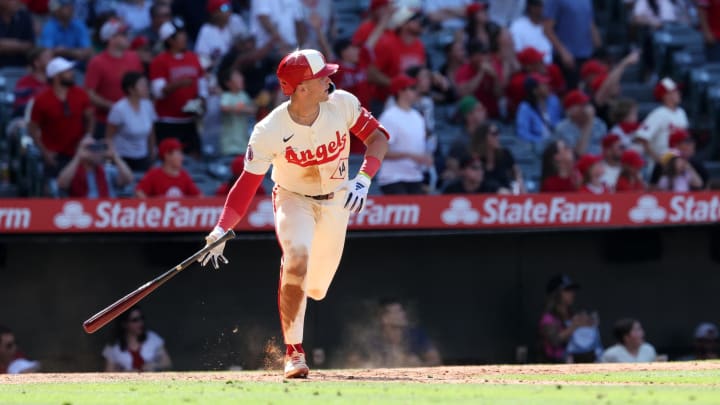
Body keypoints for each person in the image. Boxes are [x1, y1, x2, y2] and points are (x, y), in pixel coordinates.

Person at [197, 49, 390, 379]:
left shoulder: (341, 102)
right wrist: (220, 229)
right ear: (302, 87)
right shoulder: (268, 129)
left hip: (336, 201)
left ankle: (299, 305)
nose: (330, 79)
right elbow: (246, 185)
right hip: (292, 198)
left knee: (316, 289)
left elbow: (378, 138)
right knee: (297, 258)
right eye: (322, 76)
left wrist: (364, 178)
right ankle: (294, 353)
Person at [28, 57, 94, 181]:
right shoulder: (41, 100)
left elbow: (90, 117)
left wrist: (88, 135)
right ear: (56, 76)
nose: (72, 74)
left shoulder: (81, 94)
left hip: (78, 152)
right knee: (52, 191)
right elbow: (33, 128)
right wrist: (45, 152)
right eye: (68, 72)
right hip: (54, 155)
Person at [149, 19, 207, 157]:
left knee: (195, 157)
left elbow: (202, 83)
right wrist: (179, 84)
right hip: (168, 122)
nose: (184, 37)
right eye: (180, 34)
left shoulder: (193, 58)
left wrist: (202, 101)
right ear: (170, 40)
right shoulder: (159, 61)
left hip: (190, 121)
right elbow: (158, 92)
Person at [85, 18, 143, 140]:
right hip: (105, 121)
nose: (127, 36)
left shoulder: (134, 57)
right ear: (110, 38)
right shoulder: (97, 62)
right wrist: (114, 108)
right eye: (123, 34)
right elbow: (89, 93)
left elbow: (141, 86)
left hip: (133, 119)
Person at [344, 298, 442, 368]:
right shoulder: (369, 339)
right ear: (384, 319)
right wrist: (375, 365)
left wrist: (419, 365)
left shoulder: (415, 334)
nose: (403, 314)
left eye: (402, 311)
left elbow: (436, 360)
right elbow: (351, 364)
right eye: (397, 312)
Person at [377, 74, 430, 195]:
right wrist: (409, 155)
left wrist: (425, 156)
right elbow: (380, 151)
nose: (416, 92)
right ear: (400, 91)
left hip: (415, 177)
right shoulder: (389, 117)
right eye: (412, 88)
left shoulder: (418, 117)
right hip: (393, 178)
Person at [538, 274, 598, 363]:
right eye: (567, 290)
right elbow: (555, 341)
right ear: (556, 293)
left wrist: (587, 324)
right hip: (554, 365)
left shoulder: (572, 315)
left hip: (576, 362)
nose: (572, 293)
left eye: (572, 290)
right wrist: (574, 326)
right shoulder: (548, 318)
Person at [105, 71, 157, 172]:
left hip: (143, 156)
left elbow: (151, 132)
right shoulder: (119, 109)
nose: (146, 88)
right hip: (122, 158)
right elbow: (109, 137)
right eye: (142, 85)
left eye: (146, 84)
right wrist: (113, 158)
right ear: (131, 89)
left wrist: (152, 153)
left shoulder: (148, 105)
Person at [542, 0, 601, 88]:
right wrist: (563, 52)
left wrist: (597, 42)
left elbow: (590, 22)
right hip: (567, 59)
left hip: (586, 55)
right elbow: (547, 29)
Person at [57, 136, 133, 197]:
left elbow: (128, 179)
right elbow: (62, 184)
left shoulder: (107, 170)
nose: (97, 152)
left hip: (109, 210)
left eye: (98, 148)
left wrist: (115, 156)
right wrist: (78, 157)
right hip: (85, 211)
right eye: (92, 148)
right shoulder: (74, 171)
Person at [635, 78, 688, 164]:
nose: (679, 94)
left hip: (678, 161)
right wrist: (659, 161)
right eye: (675, 91)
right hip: (661, 162)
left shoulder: (681, 112)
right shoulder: (658, 114)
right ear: (665, 95)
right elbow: (641, 138)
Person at [102, 306, 172, 372]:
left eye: (141, 318)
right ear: (124, 324)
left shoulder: (153, 338)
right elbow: (108, 372)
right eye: (135, 320)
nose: (140, 323)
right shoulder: (113, 346)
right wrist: (126, 373)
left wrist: (154, 366)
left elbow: (167, 364)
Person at [135, 137, 202, 198]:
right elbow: (139, 192)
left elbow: (199, 196)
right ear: (167, 155)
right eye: (178, 153)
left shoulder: (184, 175)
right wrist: (152, 205)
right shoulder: (154, 174)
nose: (182, 157)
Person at [468, 122, 523, 193]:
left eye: (498, 133)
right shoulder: (474, 158)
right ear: (483, 137)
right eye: (494, 134)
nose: (497, 137)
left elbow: (517, 175)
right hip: (481, 197)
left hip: (506, 195)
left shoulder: (505, 154)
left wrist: (523, 196)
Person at [553, 90, 607, 156]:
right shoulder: (562, 129)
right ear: (570, 110)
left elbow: (607, 151)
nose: (585, 108)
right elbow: (578, 154)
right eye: (581, 105)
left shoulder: (599, 124)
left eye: (586, 104)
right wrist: (588, 123)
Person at [218, 67, 255, 157]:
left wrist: (243, 109)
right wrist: (240, 109)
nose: (241, 79)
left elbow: (252, 109)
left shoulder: (244, 95)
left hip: (243, 144)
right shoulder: (227, 96)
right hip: (229, 144)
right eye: (237, 77)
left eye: (240, 77)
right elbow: (224, 108)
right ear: (228, 83)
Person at [516, 73, 562, 145]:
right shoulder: (525, 108)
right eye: (544, 85)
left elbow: (560, 122)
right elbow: (523, 134)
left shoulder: (554, 100)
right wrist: (542, 141)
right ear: (535, 91)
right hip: (538, 145)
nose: (548, 87)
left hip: (557, 141)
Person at [12, 47, 51, 118]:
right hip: (27, 118)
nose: (52, 61)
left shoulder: (56, 81)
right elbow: (21, 107)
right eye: (47, 57)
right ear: (37, 63)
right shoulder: (24, 82)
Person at [0, 0, 35, 68]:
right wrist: (19, 45)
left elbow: (30, 45)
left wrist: (4, 45)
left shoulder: (24, 16)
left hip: (21, 67)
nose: (18, 1)